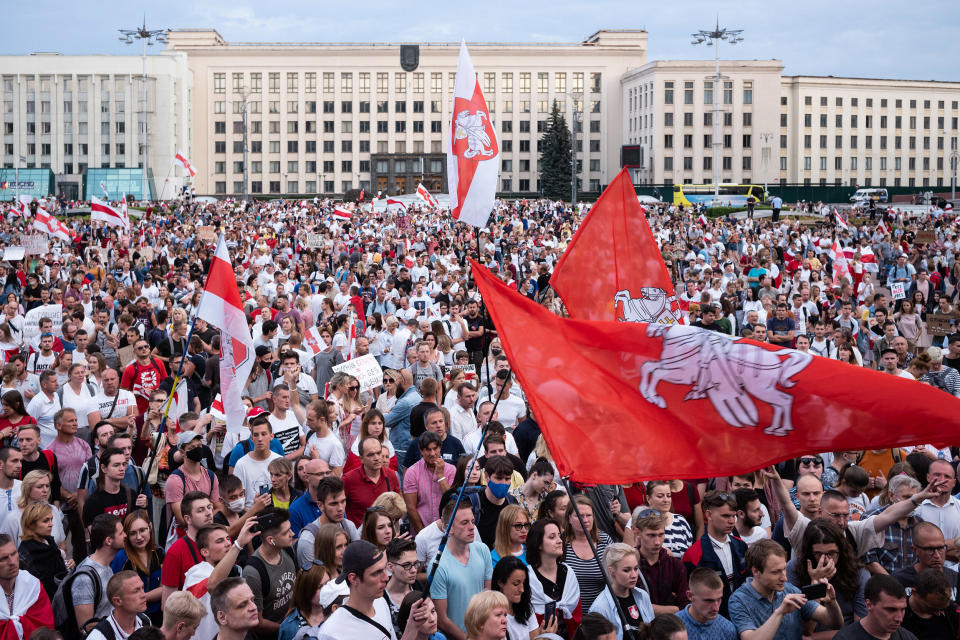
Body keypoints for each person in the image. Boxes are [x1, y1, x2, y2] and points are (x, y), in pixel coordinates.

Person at [316, 539, 437, 640]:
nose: (385, 577)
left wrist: (412, 626)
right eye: (376, 573)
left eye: (384, 569)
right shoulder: (331, 633)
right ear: (353, 579)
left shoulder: (380, 603)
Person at [728, 539, 844, 640]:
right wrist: (780, 612)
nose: (784, 578)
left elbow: (834, 623)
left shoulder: (790, 590)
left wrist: (831, 602)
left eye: (784, 569)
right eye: (775, 572)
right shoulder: (738, 600)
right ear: (756, 571)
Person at [184, 520, 257, 640]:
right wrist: (238, 544)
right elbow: (212, 585)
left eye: (228, 538)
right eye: (220, 541)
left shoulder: (235, 570)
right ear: (205, 552)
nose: (228, 543)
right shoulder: (196, 573)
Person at [432, 499, 494, 640]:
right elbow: (442, 620)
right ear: (449, 528)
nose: (472, 527)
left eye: (472, 521)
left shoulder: (483, 550)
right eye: (464, 523)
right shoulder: (438, 565)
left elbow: (488, 597)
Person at [682, 491, 747, 617]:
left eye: (733, 516)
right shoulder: (693, 554)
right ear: (709, 515)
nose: (731, 521)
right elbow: (689, 598)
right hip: (711, 619)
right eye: (725, 516)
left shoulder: (741, 545)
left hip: (742, 615)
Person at [241, 507, 298, 637]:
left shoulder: (287, 550)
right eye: (285, 533)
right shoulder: (253, 572)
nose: (292, 534)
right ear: (271, 540)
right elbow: (257, 622)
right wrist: (287, 629)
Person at [526, 517, 581, 636]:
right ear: (538, 544)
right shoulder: (528, 578)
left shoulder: (568, 573)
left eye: (559, 535)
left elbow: (577, 615)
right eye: (552, 537)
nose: (559, 540)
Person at [72, 514, 126, 635]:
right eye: (121, 533)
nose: (125, 536)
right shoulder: (84, 579)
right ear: (108, 540)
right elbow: (85, 629)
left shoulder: (107, 565)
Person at [588, 543, 655, 640]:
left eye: (636, 569)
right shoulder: (599, 607)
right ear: (611, 571)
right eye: (626, 570)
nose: (634, 575)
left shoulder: (642, 596)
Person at [110, 510, 163, 626]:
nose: (139, 537)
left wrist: (141, 597)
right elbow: (116, 594)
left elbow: (164, 588)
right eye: (133, 533)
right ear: (126, 535)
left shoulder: (159, 552)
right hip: (133, 618)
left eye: (142, 530)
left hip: (159, 615)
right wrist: (152, 595)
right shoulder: (121, 559)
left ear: (150, 527)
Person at [296, 476, 360, 570]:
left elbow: (358, 561)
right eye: (333, 504)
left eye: (343, 501)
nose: (340, 508)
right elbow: (312, 581)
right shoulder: (308, 540)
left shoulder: (349, 526)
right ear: (320, 505)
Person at [634, 508, 689, 615]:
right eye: (651, 535)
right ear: (637, 532)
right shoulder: (629, 565)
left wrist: (648, 608)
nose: (657, 542)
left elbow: (685, 607)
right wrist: (672, 609)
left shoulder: (675, 566)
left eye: (661, 534)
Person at [161, 491, 214, 599]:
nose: (208, 513)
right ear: (188, 519)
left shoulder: (223, 541)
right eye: (201, 510)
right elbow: (168, 604)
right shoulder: (175, 552)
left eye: (209, 507)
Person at [0, 533, 53, 640]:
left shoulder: (32, 586)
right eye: (4, 558)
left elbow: (46, 629)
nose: (12, 562)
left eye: (14, 553)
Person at [833, 574, 918, 639]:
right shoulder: (845, 638)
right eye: (891, 610)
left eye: (902, 609)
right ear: (869, 604)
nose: (899, 619)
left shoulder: (907, 637)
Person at [492, 554, 557, 640]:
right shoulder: (490, 615)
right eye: (516, 584)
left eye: (523, 583)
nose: (522, 589)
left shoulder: (527, 608)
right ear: (500, 582)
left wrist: (543, 637)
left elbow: (534, 637)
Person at [566, 494, 612, 612]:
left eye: (589, 515)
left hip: (601, 612)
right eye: (579, 516)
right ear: (569, 518)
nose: (585, 520)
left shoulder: (605, 541)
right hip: (571, 615)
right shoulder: (561, 544)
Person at [403, 430, 456, 534]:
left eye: (435, 449)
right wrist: (423, 534)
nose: (432, 453)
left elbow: (451, 500)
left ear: (440, 448)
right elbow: (410, 508)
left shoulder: (451, 470)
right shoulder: (412, 472)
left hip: (448, 531)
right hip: (421, 531)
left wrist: (440, 475)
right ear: (421, 451)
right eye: (428, 450)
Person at [16, 502, 68, 602]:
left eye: (51, 519)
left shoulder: (49, 542)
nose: (51, 524)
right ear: (31, 524)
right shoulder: (27, 553)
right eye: (45, 521)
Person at [342, 437, 400, 526]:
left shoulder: (391, 475)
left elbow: (398, 508)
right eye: (370, 455)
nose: (376, 458)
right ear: (361, 458)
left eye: (378, 453)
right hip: (360, 537)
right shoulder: (348, 479)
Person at [84, 570, 151, 640]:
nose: (143, 595)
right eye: (136, 591)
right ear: (117, 601)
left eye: (142, 588)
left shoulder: (145, 621)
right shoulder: (98, 637)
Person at [677, 567, 737, 640]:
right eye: (709, 601)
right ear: (690, 596)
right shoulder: (671, 627)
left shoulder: (728, 629)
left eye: (719, 599)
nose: (716, 608)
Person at [384, 538, 423, 634]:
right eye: (406, 565)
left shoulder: (418, 587)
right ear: (390, 567)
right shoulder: (380, 597)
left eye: (415, 564)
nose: (414, 570)